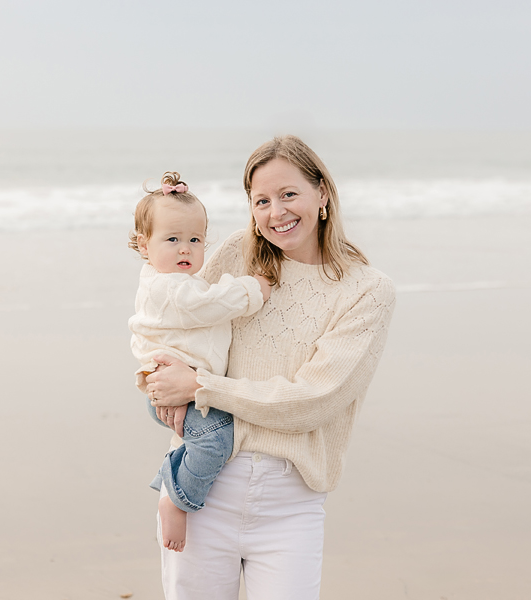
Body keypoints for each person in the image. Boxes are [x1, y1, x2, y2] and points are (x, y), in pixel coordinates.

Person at [145, 136, 396, 599]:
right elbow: (170, 316)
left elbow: (314, 400)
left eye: (288, 194)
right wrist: (158, 380)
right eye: (261, 200)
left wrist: (201, 386)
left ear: (322, 193)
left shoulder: (366, 290)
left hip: (291, 505)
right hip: (202, 487)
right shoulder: (236, 255)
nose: (276, 211)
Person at [128, 171, 272, 553]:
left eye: (194, 240)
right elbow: (211, 305)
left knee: (206, 439)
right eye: (172, 239)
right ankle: (176, 501)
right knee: (216, 437)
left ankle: (171, 480)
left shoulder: (177, 283)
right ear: (144, 245)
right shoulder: (170, 288)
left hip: (180, 385)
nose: (185, 249)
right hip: (175, 387)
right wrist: (252, 288)